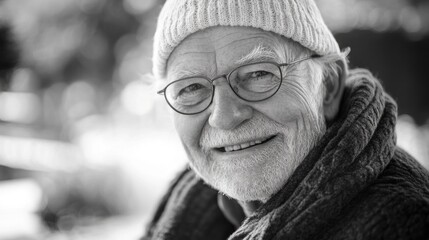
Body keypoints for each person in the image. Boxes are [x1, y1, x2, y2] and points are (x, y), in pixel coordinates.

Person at [143, 0, 429, 239]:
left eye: (258, 74)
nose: (224, 117)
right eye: (191, 88)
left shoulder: (404, 221)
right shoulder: (194, 201)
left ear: (327, 86)